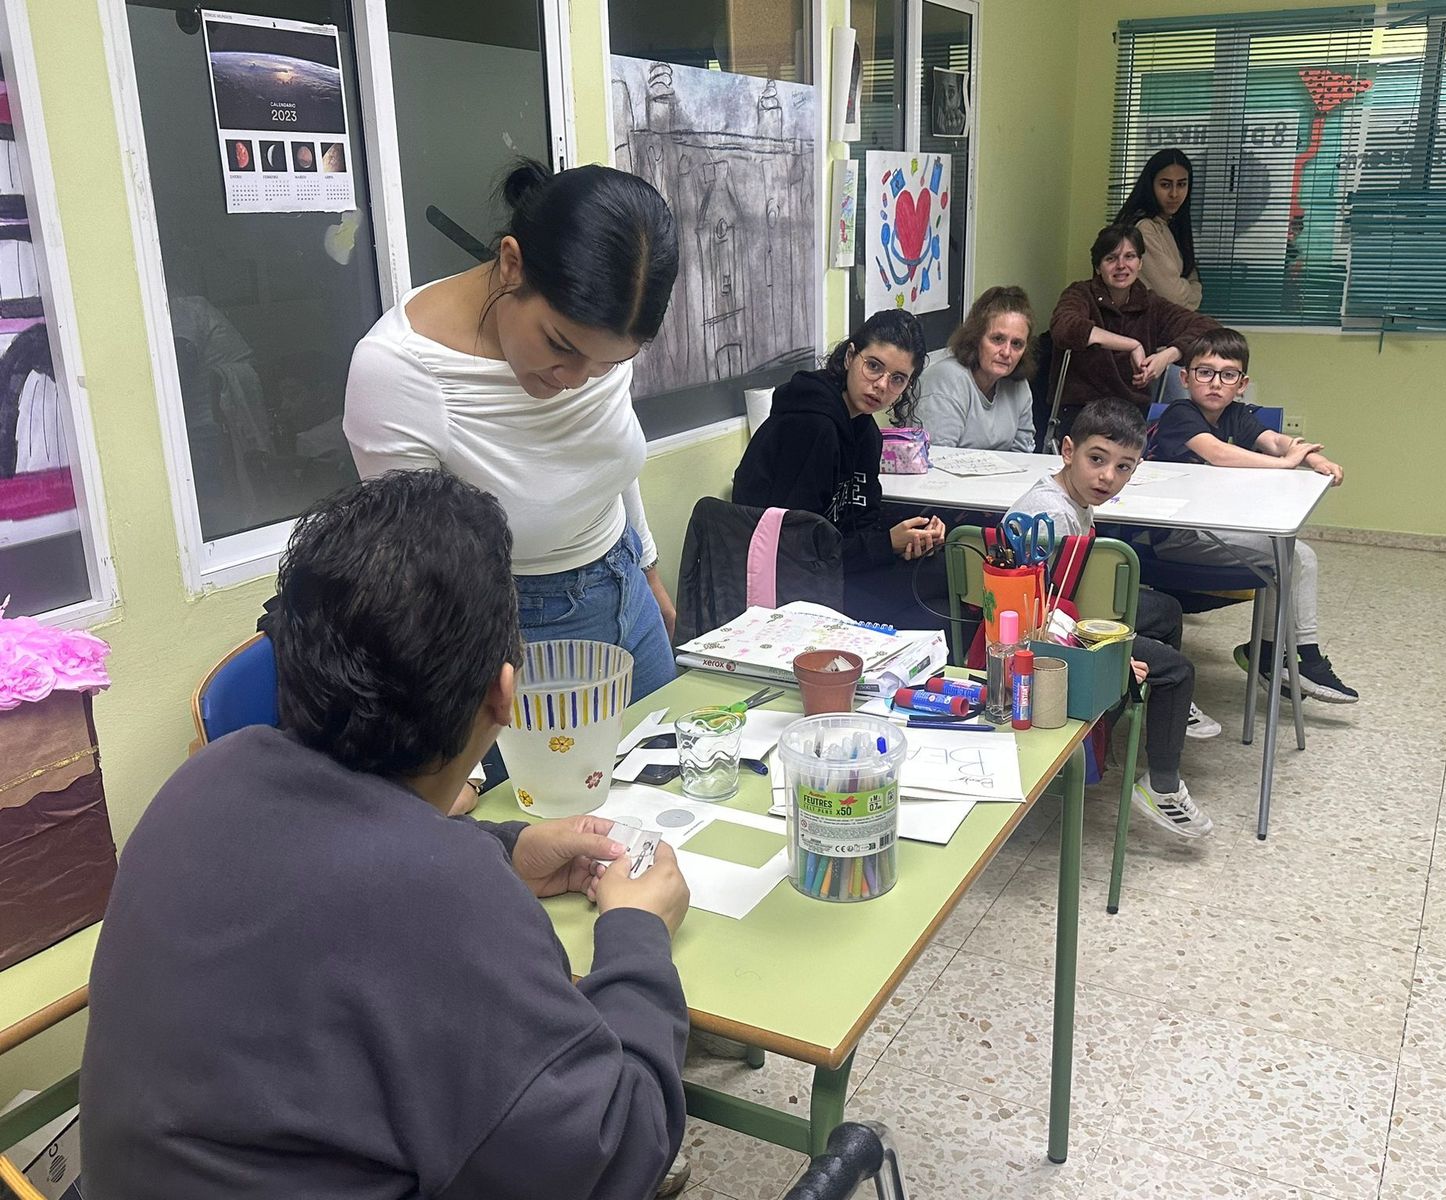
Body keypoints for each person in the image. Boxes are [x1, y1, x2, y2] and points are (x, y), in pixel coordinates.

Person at [79, 469, 692, 1198]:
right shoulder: (440, 894)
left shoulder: (206, 777)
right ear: (504, 692)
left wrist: (503, 849)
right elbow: (611, 1156)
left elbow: (338, 874)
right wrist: (636, 932)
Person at [344, 159, 681, 709]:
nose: (575, 381)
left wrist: (647, 570)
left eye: (606, 365)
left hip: (625, 585)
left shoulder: (600, 332)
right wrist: (450, 751)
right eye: (560, 347)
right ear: (510, 264)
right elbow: (414, 586)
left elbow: (606, 449)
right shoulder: (400, 372)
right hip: (510, 635)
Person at [1007, 399, 1218, 839]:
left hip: (1075, 610)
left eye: (1124, 467)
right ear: (1068, 450)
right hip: (1050, 638)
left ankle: (1161, 711)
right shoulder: (1049, 516)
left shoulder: (1070, 497)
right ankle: (1159, 785)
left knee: (1166, 610)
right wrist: (1116, 659)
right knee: (1178, 671)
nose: (1108, 477)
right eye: (1097, 459)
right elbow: (1039, 619)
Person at [1147, 329, 1358, 703]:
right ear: (1185, 378)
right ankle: (1287, 657)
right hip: (1172, 539)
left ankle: (1279, 654)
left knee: (1292, 556)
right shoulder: (1180, 414)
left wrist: (1312, 458)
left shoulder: (1236, 415)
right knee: (1291, 558)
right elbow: (1217, 454)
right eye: (1204, 372)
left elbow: (1276, 441)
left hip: (1210, 531)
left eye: (1228, 375)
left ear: (1241, 384)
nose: (1215, 383)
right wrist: (1285, 465)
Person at [731, 309, 946, 627]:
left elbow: (863, 518)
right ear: (850, 357)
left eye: (897, 379)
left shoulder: (866, 431)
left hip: (831, 568)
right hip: (783, 586)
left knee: (941, 575)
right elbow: (795, 550)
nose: (881, 385)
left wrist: (911, 533)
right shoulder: (813, 426)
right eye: (873, 366)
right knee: (934, 598)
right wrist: (886, 544)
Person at [1048, 223, 1218, 433]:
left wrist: (1167, 357)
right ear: (1098, 267)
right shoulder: (1080, 293)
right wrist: (1132, 345)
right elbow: (1065, 327)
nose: (1121, 265)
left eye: (1129, 257)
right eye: (1111, 258)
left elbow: (1209, 329)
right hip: (1082, 410)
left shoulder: (1150, 303)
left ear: (1139, 264)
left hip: (1133, 414)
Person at [918, 285, 1037, 451]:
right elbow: (936, 460)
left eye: (1017, 344)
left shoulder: (1019, 386)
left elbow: (1024, 458)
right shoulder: (947, 379)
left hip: (1002, 477)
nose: (1006, 352)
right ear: (976, 337)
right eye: (997, 339)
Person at [1115, 149, 1202, 311]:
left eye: (1182, 184)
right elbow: (1175, 298)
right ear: (1150, 185)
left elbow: (1190, 275)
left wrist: (1189, 285)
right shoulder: (1143, 228)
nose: (1174, 194)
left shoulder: (1170, 223)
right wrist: (1194, 289)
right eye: (1165, 185)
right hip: (1144, 328)